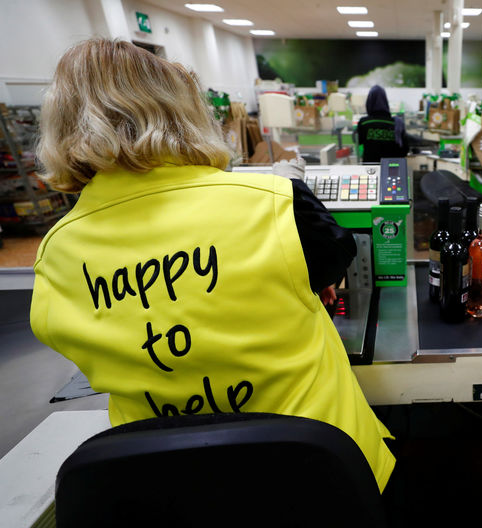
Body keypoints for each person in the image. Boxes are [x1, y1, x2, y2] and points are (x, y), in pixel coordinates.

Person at [30, 39, 395, 492]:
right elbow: (333, 261)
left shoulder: (56, 251)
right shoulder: (277, 206)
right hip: (318, 471)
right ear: (185, 111)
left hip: (162, 485)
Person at [357, 85, 410, 163]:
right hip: (393, 169)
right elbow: (405, 149)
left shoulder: (364, 122)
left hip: (370, 169)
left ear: (369, 101)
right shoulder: (396, 123)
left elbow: (357, 141)